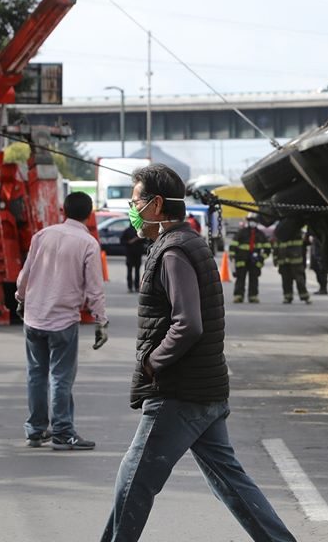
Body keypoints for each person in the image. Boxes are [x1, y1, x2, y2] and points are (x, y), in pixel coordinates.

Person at [101, 163, 296, 542]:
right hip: (204, 389)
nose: (131, 208)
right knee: (232, 483)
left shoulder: (172, 251)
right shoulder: (188, 243)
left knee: (134, 480)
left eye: (135, 200)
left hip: (179, 392)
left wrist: (153, 363)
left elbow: (188, 323)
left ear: (156, 205)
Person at [15, 192, 108, 451]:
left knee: (36, 375)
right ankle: (63, 432)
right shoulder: (87, 243)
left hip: (34, 318)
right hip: (63, 321)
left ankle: (35, 431)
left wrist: (20, 299)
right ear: (89, 215)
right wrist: (101, 321)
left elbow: (26, 274)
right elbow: (94, 288)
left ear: (63, 210)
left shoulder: (42, 235)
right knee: (60, 377)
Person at [228, 212, 270, 303]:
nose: (252, 223)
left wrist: (261, 258)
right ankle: (238, 296)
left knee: (254, 279)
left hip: (255, 261)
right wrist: (232, 256)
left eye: (254, 221)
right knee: (240, 278)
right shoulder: (241, 232)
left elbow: (267, 248)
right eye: (251, 221)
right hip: (241, 260)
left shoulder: (261, 234)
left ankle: (253, 296)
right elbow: (233, 245)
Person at [273, 221, 310, 305]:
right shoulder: (279, 233)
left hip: (295, 260)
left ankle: (304, 296)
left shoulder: (297, 231)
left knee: (299, 279)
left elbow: (304, 245)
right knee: (286, 280)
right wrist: (275, 258)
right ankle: (287, 296)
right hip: (283, 260)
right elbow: (276, 246)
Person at [120, 223, 150, 293]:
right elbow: (122, 241)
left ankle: (136, 287)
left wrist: (139, 239)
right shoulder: (127, 231)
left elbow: (145, 241)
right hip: (130, 253)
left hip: (137, 254)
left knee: (137, 271)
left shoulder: (139, 231)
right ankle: (130, 287)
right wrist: (129, 242)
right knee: (130, 271)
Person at [307, 230, 328, 295]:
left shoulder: (321, 236)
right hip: (317, 253)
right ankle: (322, 288)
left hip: (320, 254)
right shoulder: (315, 236)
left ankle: (323, 288)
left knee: (321, 270)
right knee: (317, 269)